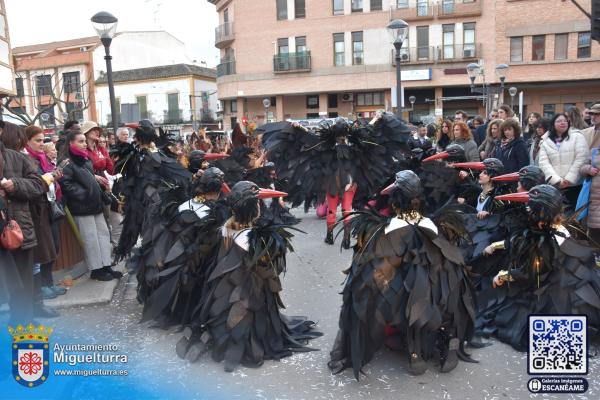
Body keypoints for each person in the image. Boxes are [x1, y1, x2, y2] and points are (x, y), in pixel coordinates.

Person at [328, 170, 476, 379]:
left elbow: (375, 266)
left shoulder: (389, 229)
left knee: (365, 285)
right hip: (433, 296)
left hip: (399, 297)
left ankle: (412, 350)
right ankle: (437, 340)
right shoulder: (432, 225)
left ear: (397, 200)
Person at [176, 181, 322, 372]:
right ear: (254, 208)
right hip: (248, 292)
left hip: (224, 287)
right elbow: (269, 272)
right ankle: (238, 341)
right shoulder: (252, 237)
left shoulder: (225, 227)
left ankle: (212, 335)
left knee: (224, 314)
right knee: (248, 318)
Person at [478, 185, 600, 351]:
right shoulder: (560, 228)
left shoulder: (546, 239)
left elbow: (532, 273)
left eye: (531, 201)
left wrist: (503, 276)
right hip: (567, 283)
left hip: (554, 294)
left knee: (504, 314)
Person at [0, 121, 49, 324]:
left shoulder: (17, 158)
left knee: (22, 283)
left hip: (17, 229)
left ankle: (22, 323)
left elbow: (39, 184)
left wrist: (14, 185)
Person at [59, 131, 120, 281]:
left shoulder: (85, 160)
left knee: (103, 235)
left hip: (95, 204)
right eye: (80, 141)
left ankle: (106, 265)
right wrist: (85, 194)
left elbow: (91, 180)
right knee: (90, 238)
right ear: (71, 143)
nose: (84, 144)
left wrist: (99, 193)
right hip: (82, 207)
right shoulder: (66, 162)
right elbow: (66, 185)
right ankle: (96, 270)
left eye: (84, 141)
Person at [24, 126, 65, 305]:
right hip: (36, 209)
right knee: (42, 250)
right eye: (38, 140)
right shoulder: (26, 159)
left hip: (50, 205)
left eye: (43, 140)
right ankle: (42, 286)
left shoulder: (41, 158)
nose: (42, 144)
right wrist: (51, 176)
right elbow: (37, 183)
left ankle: (49, 282)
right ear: (27, 141)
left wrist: (53, 175)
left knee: (53, 246)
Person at [537, 113, 589, 207]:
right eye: (559, 121)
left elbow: (581, 159)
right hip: (555, 186)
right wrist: (557, 180)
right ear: (553, 124)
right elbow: (544, 163)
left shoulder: (577, 136)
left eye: (565, 121)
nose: (563, 123)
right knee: (556, 217)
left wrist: (569, 179)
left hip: (575, 185)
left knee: (573, 216)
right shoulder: (545, 141)